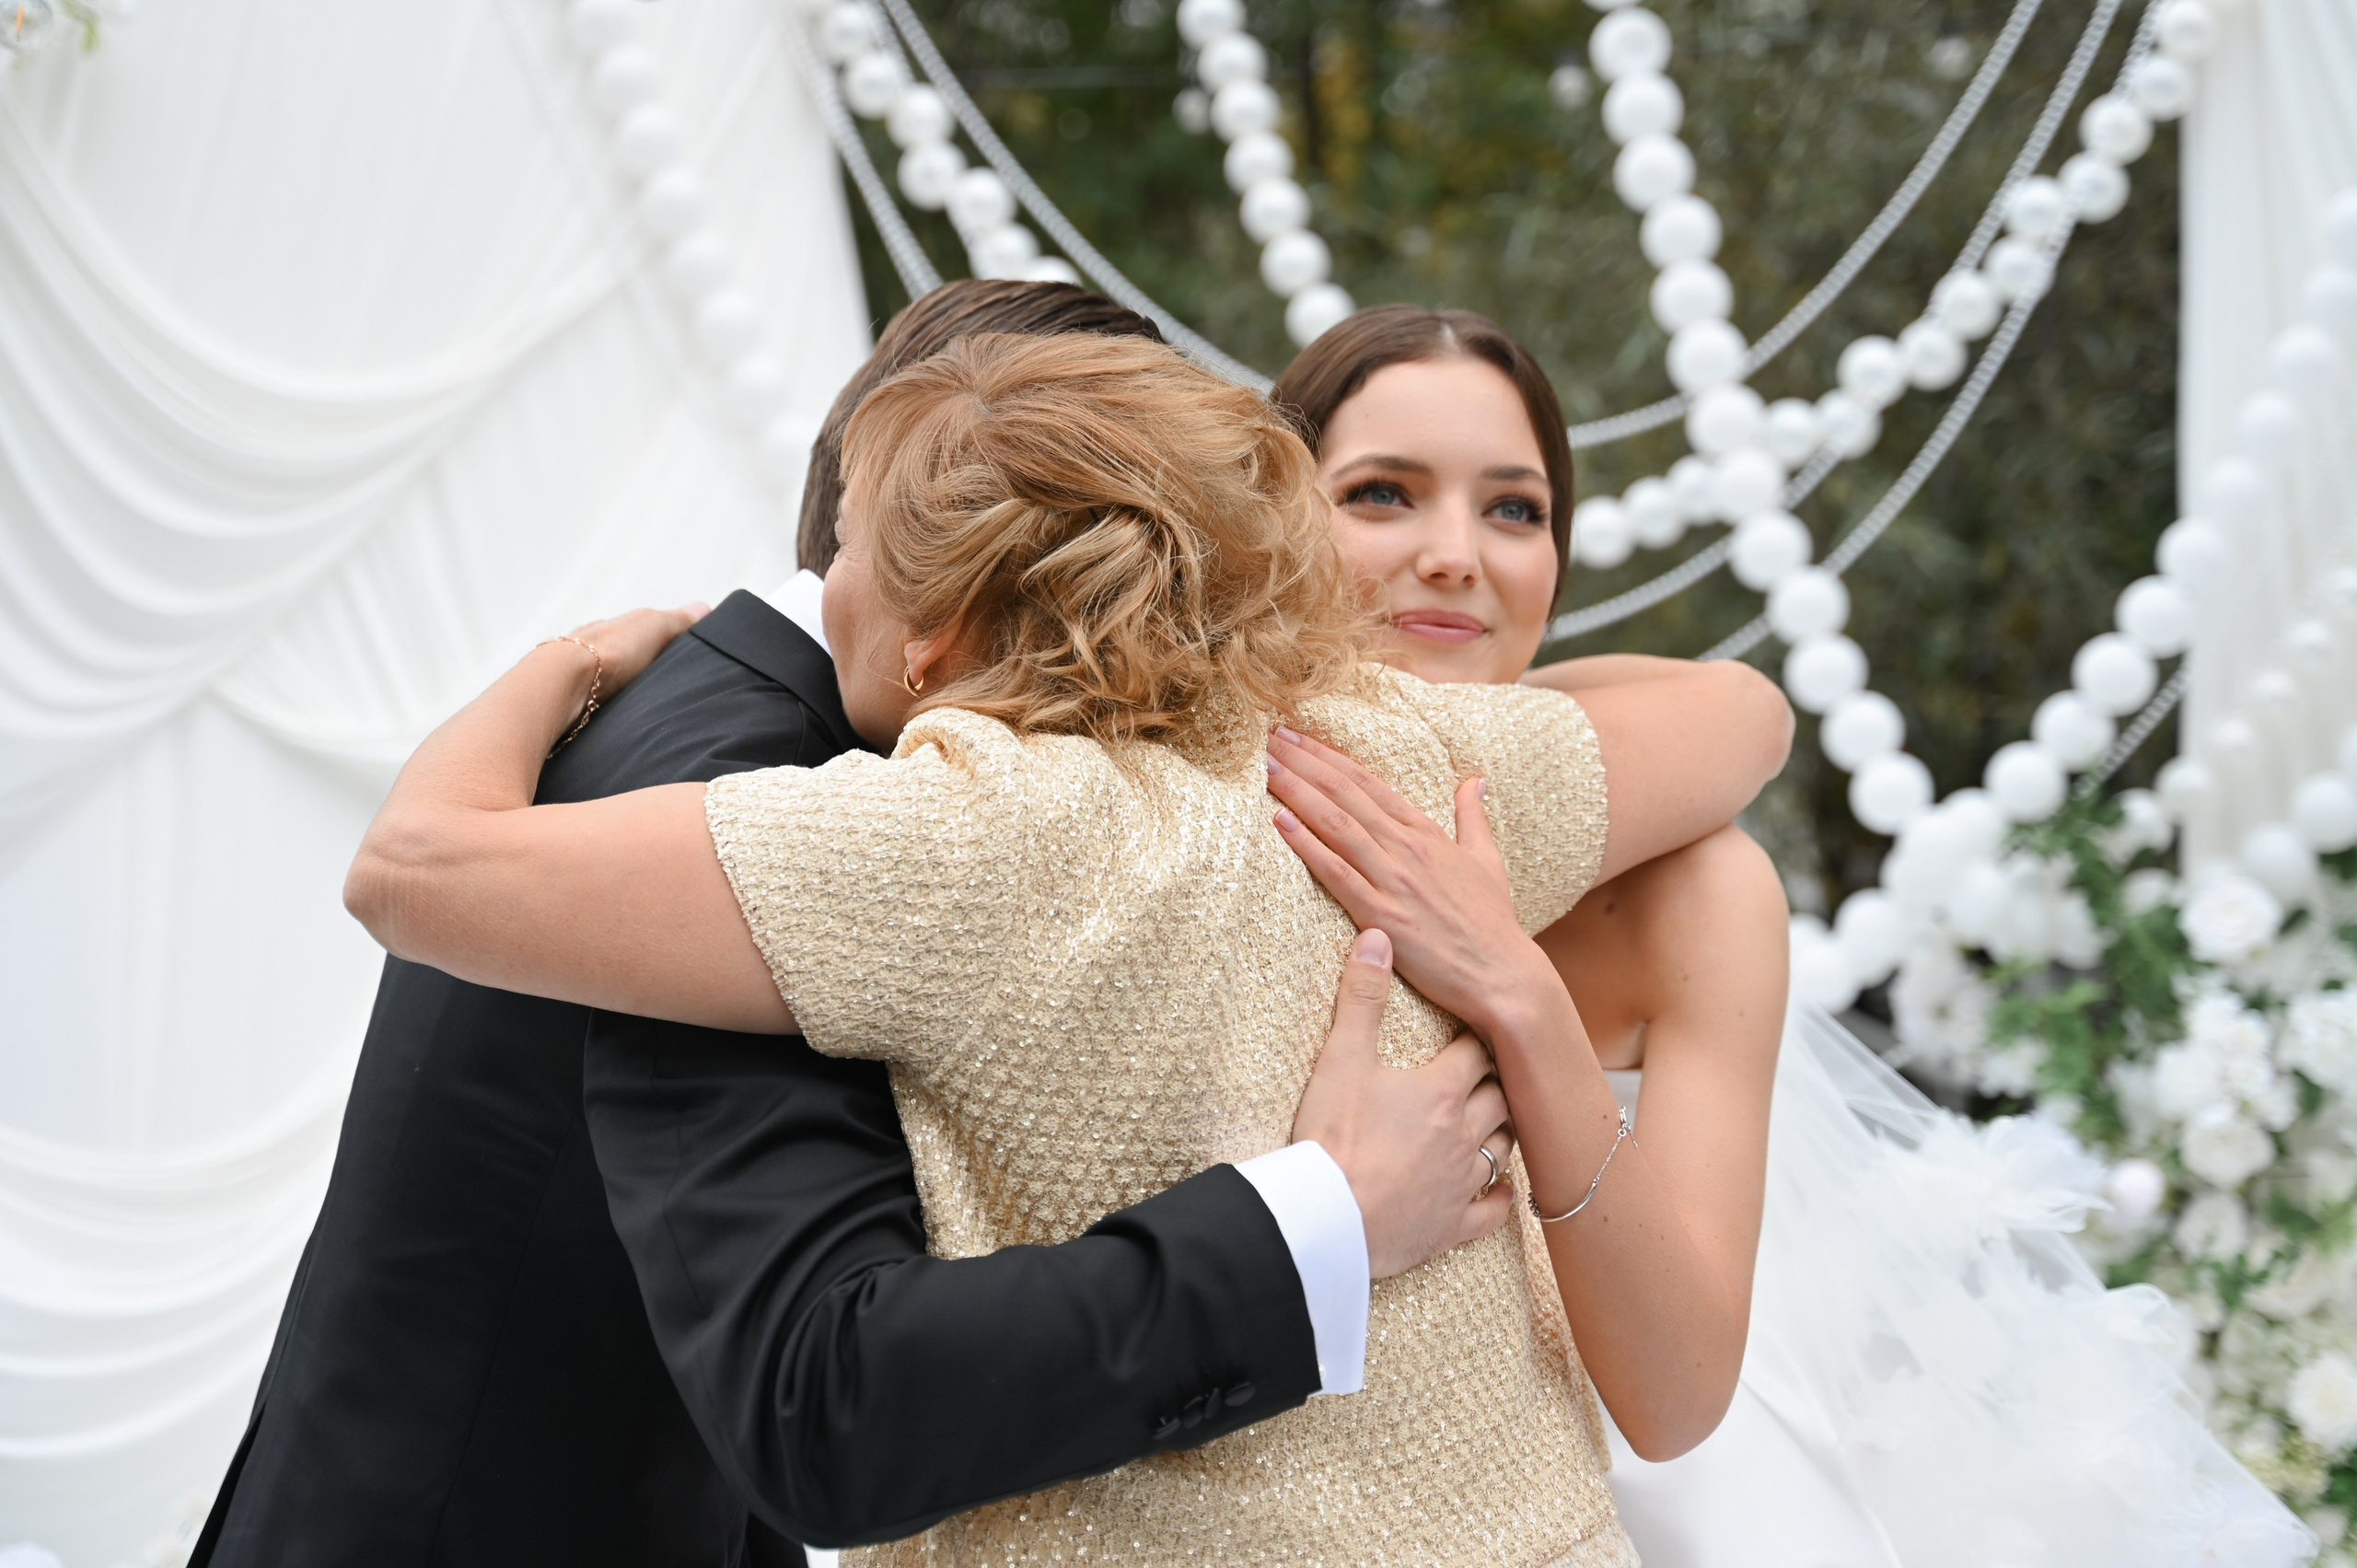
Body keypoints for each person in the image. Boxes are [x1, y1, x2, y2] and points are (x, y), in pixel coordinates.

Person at [339, 330, 1795, 1562]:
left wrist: (571, 663)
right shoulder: (1412, 764)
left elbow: (414, 869)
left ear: (936, 630)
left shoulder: (939, 843)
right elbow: (1746, 717)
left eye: (848, 553)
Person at [1266, 302, 2313, 1568]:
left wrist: (1515, 991)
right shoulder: (1174, 816)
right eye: (1383, 495)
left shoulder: (1690, 886)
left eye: (1514, 508)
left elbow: (1675, 1402)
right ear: (1270, 522)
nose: (1455, 555)